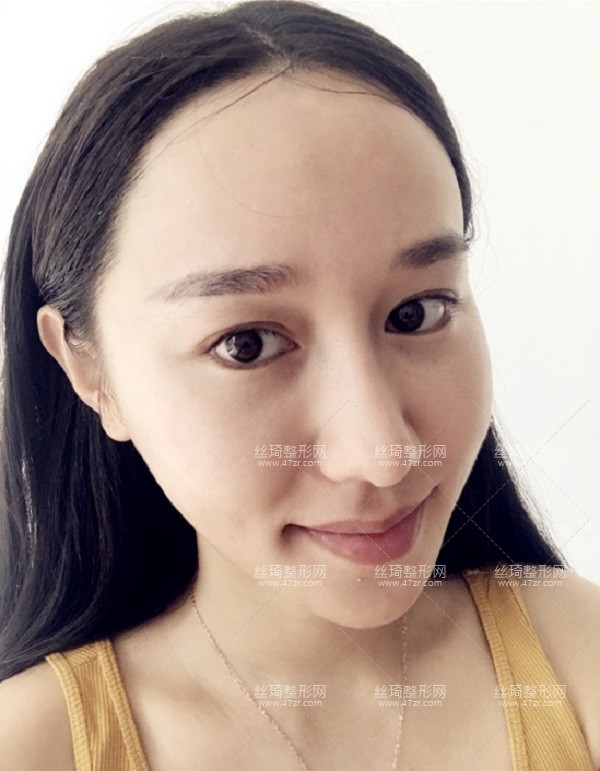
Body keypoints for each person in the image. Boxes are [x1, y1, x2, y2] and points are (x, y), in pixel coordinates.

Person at [0, 0, 598, 768]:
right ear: (89, 367)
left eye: (416, 312)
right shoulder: (34, 746)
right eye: (246, 344)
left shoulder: (576, 663)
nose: (381, 453)